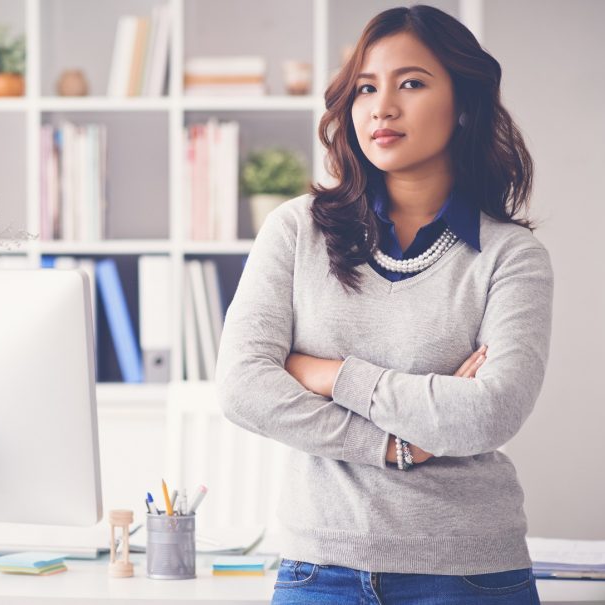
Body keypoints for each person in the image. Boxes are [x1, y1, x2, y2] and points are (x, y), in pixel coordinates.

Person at [214, 5, 552, 604]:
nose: (382, 107)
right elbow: (243, 387)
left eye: (412, 83)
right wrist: (393, 444)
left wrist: (328, 374)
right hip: (319, 570)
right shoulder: (296, 231)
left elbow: (491, 414)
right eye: (366, 88)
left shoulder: (512, 256)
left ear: (465, 103)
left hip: (470, 574)